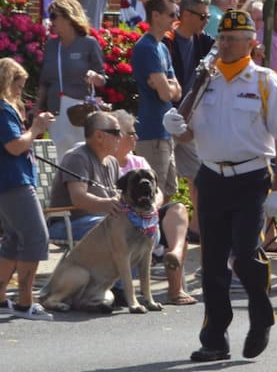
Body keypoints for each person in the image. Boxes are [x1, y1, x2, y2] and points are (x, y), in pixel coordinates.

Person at [162, 8, 277, 363]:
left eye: (232, 39)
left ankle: (260, 315)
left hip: (252, 177)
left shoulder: (265, 81)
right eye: (221, 38)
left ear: (251, 43)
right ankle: (214, 337)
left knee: (245, 254)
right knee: (212, 262)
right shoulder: (204, 80)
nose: (224, 44)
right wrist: (177, 127)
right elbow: (191, 132)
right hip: (211, 177)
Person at [112, 109, 196, 305]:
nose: (137, 137)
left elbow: (157, 190)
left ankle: (174, 264)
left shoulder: (139, 161)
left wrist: (154, 206)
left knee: (177, 209)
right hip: (125, 218)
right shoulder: (105, 162)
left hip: (148, 214)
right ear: (118, 136)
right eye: (132, 133)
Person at [0, 58, 56, 320]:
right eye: (19, 86)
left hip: (9, 182)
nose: (21, 92)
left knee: (14, 239)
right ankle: (25, 301)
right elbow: (14, 145)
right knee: (35, 237)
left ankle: (2, 299)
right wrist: (36, 128)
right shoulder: (3, 109)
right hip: (14, 181)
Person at [164, 0, 214, 238]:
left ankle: (197, 228)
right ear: (185, 15)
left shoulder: (204, 42)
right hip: (166, 117)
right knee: (163, 178)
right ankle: (162, 232)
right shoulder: (166, 41)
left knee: (198, 175)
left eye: (208, 15)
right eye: (202, 15)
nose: (207, 20)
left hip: (190, 117)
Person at [37, 0, 107, 157]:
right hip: (56, 111)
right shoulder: (51, 46)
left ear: (68, 17)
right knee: (60, 158)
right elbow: (44, 82)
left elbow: (103, 79)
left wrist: (95, 76)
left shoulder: (89, 43)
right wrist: (36, 108)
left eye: (54, 16)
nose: (51, 21)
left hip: (79, 112)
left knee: (81, 156)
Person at [132, 0, 183, 202]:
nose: (175, 18)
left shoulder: (162, 47)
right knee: (154, 193)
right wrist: (166, 86)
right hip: (151, 132)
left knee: (169, 189)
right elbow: (164, 94)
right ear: (156, 15)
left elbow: (177, 91)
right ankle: (152, 234)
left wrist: (166, 84)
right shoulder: (146, 48)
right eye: (171, 14)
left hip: (165, 133)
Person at [46, 110, 123, 245]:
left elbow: (122, 193)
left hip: (100, 220)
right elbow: (79, 198)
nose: (121, 137)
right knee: (118, 228)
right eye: (116, 132)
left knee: (142, 225)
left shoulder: (112, 161)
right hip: (68, 224)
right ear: (99, 135)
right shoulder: (77, 157)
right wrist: (108, 204)